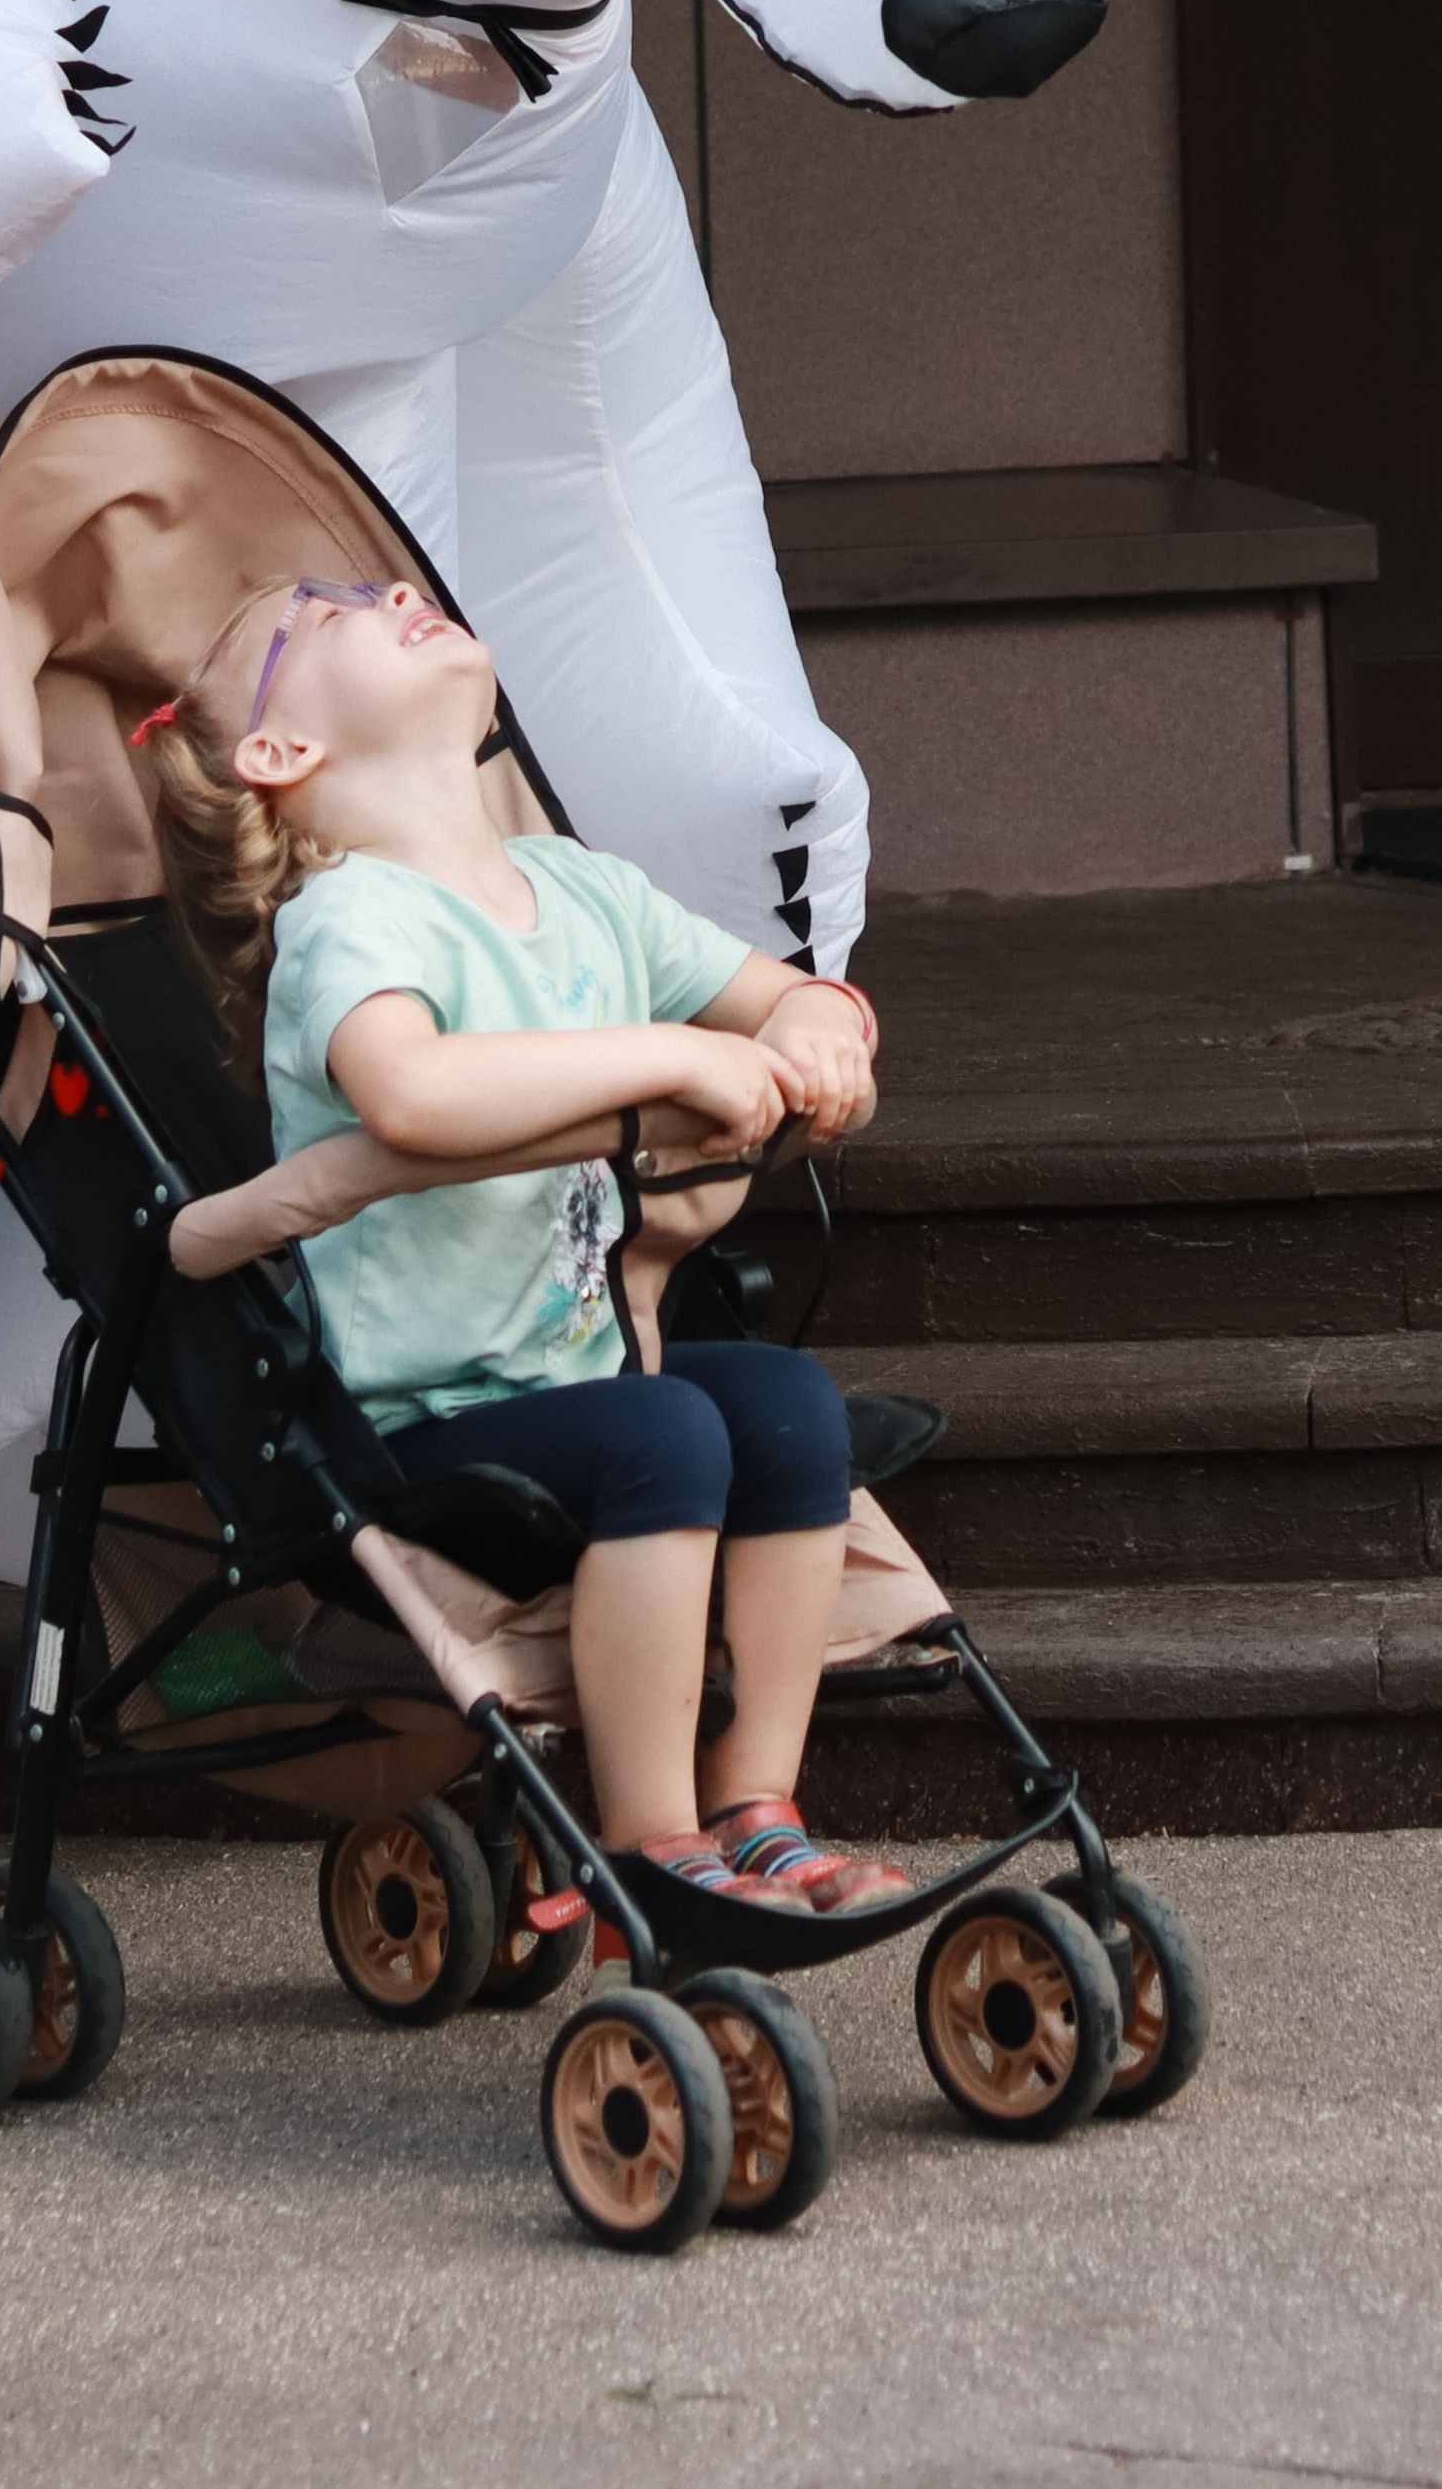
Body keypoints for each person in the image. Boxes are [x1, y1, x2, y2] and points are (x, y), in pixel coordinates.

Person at [154, 573, 905, 1912]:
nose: (389, 587)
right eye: (325, 617)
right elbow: (412, 1095)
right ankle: (650, 1841)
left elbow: (784, 995)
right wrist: (679, 1051)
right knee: (666, 1435)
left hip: (582, 1373)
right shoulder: (353, 922)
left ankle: (759, 1799)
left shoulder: (585, 890)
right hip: (421, 1418)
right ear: (282, 754)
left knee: (786, 1404)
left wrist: (818, 1029)